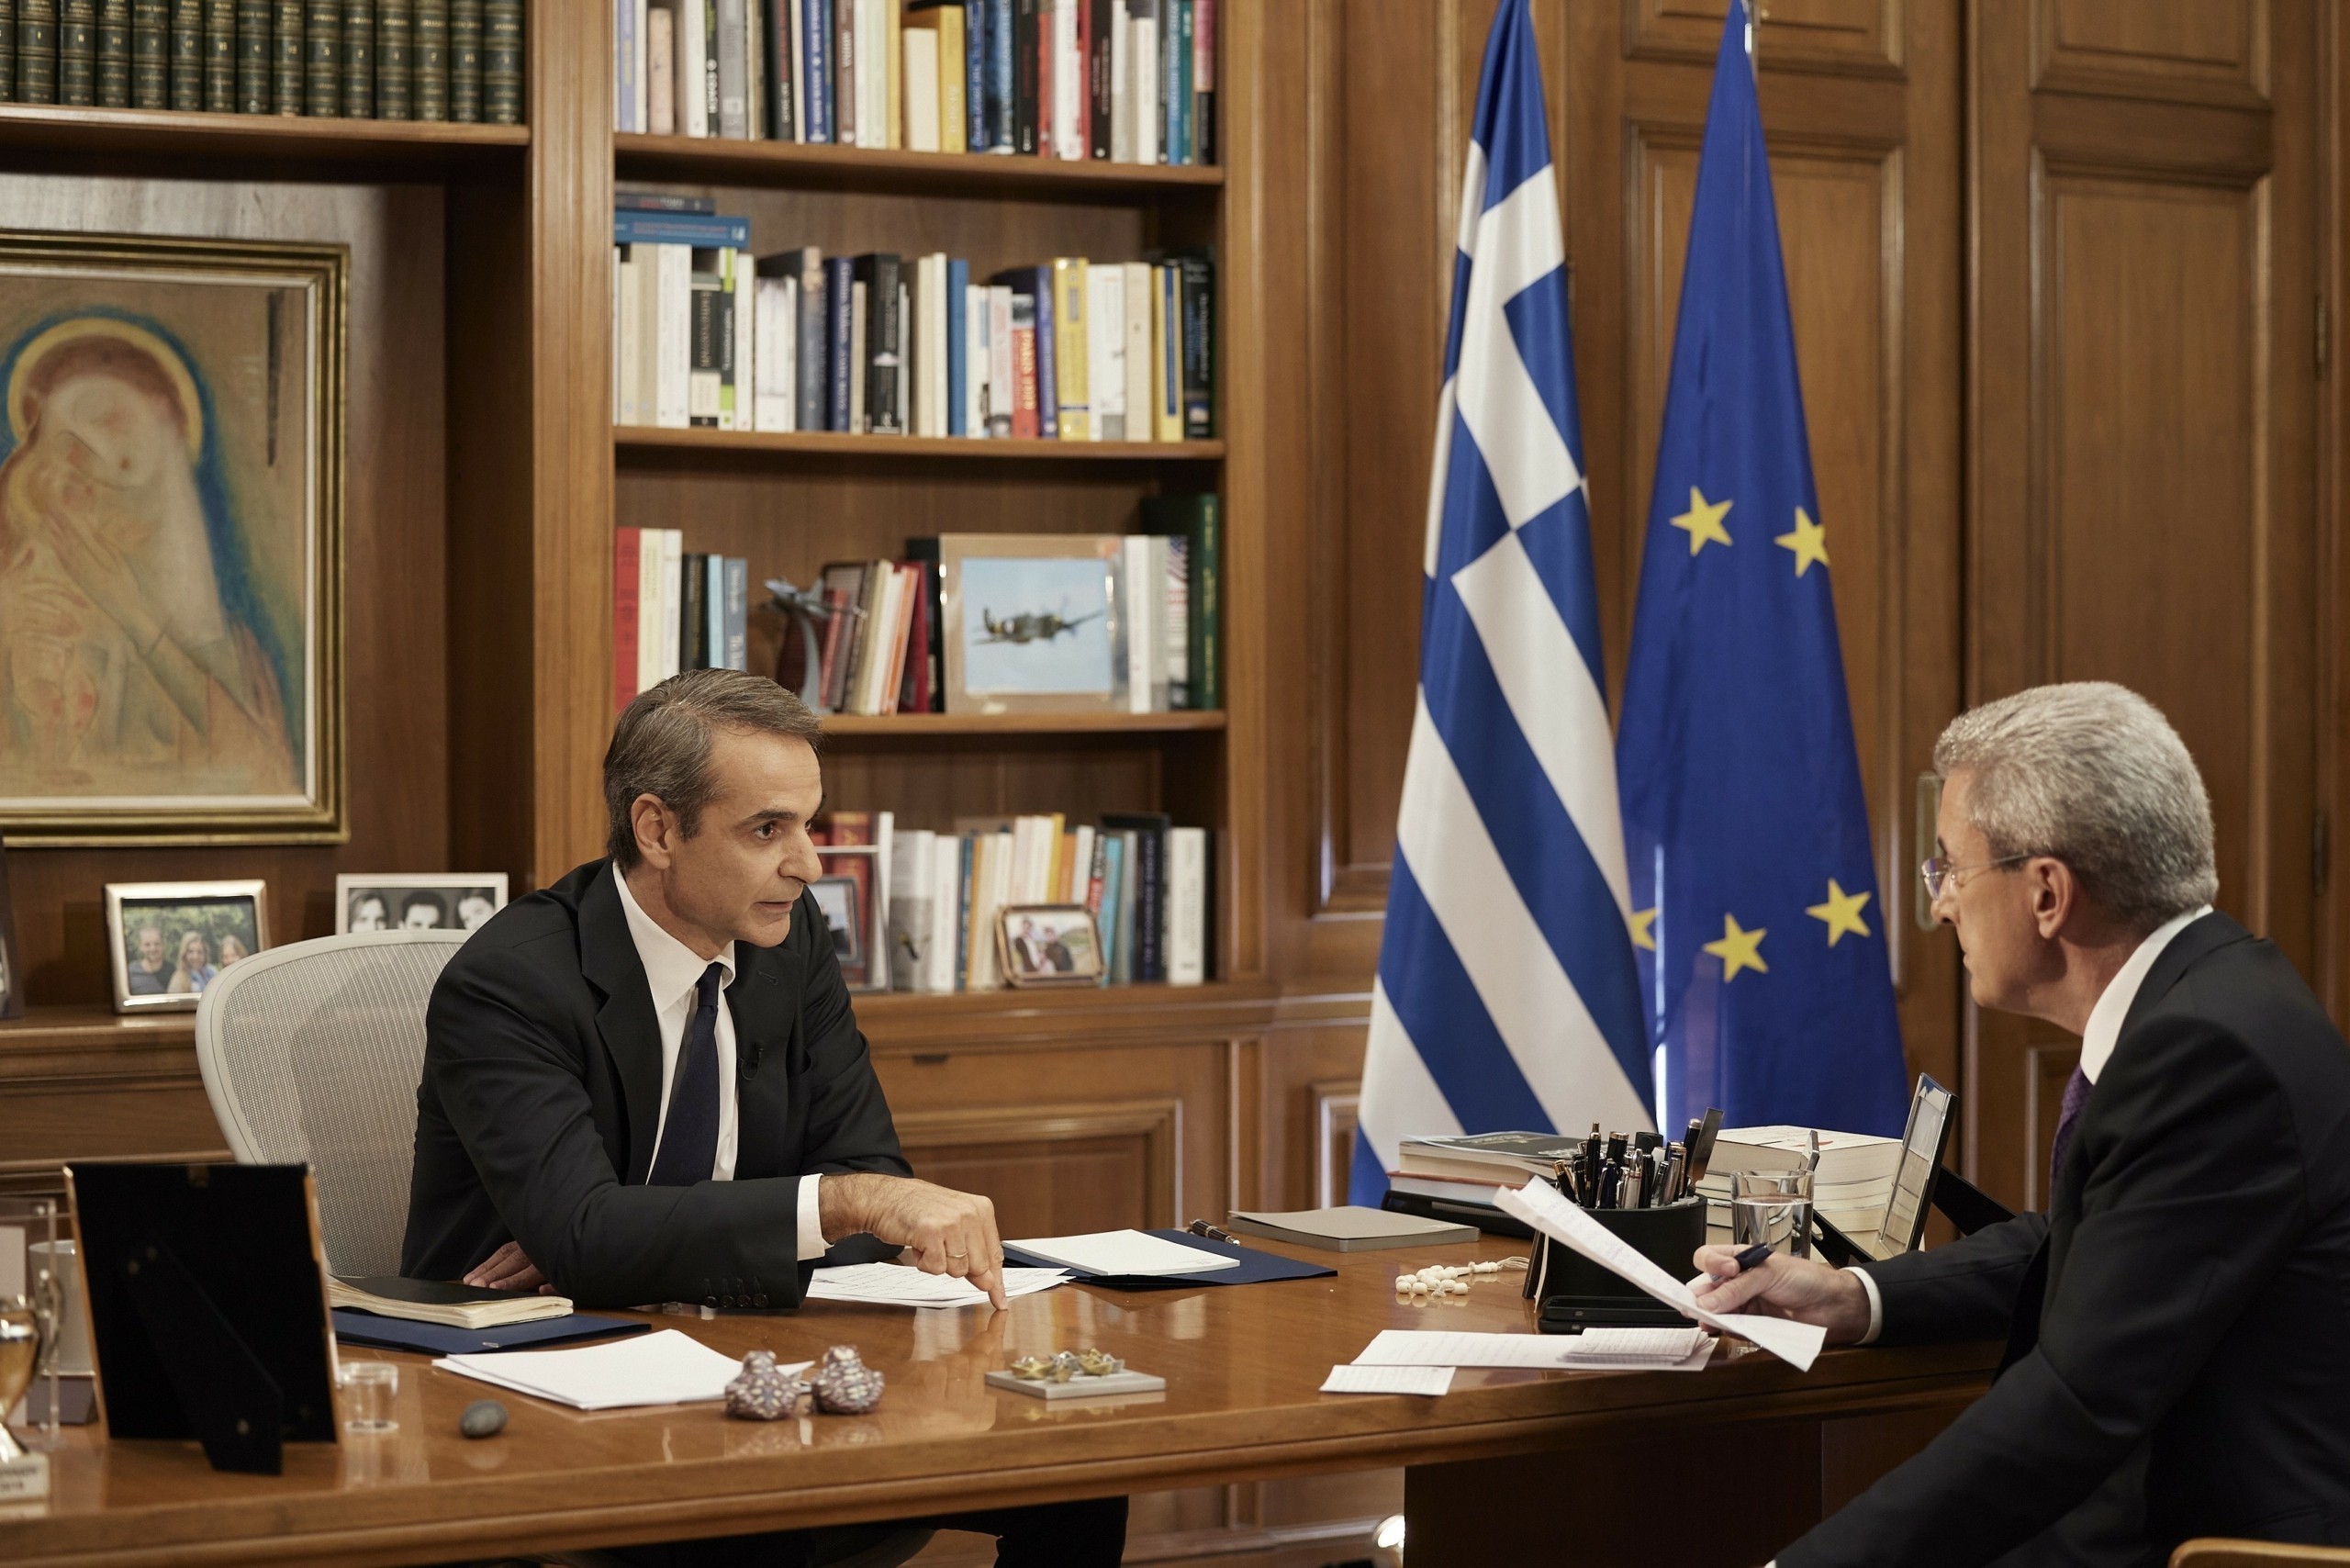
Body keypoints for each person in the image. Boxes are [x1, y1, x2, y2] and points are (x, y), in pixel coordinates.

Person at [402, 668, 1125, 1568]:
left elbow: (868, 1169)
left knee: (1082, 1460)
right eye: (766, 830)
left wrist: (643, 1237)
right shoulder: (513, 979)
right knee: (754, 1518)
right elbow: (595, 1237)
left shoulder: (789, 939)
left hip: (744, 1345)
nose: (809, 865)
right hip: (540, 1375)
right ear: (658, 829)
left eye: (809, 825)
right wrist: (822, 1207)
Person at [1693, 683, 2350, 1568]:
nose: (1940, 905)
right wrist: (1856, 1297)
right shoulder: (2212, 997)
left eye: (1950, 869)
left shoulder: (2205, 1050)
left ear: (2047, 893)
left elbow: (2076, 1403)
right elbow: (2093, 1246)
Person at [124, 924, 172, 994]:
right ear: (140, 946)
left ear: (163, 944)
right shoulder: (130, 972)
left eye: (157, 944)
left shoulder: (172, 971)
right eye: (147, 945)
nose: (153, 949)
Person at [164, 928, 216, 994]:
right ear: (184, 954)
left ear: (205, 953)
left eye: (199, 952)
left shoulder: (212, 973)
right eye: (191, 952)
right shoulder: (178, 979)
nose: (195, 957)